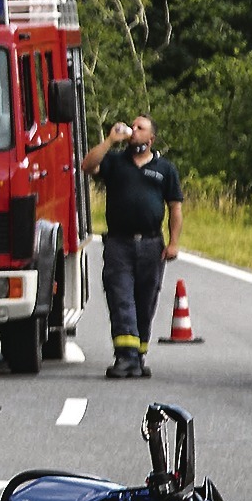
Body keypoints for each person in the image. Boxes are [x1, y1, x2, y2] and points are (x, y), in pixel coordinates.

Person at [83, 115, 183, 378]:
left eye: (140, 128)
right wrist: (109, 140)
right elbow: (87, 165)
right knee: (121, 297)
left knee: (145, 300)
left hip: (151, 244)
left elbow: (175, 208)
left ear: (150, 139)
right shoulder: (115, 162)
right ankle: (124, 357)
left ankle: (137, 356)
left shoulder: (165, 169)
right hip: (119, 244)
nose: (133, 130)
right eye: (133, 126)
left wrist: (173, 243)